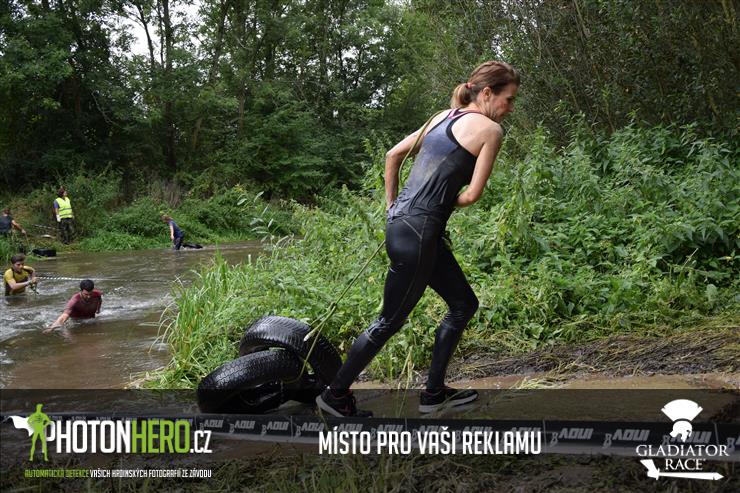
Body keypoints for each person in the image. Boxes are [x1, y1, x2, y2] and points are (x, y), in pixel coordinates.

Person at [316, 61, 520, 417]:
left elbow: (392, 155)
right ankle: (334, 395)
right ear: (487, 93)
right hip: (421, 232)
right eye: (509, 99)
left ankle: (434, 394)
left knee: (463, 304)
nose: (510, 108)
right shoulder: (490, 131)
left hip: (405, 226)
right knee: (389, 321)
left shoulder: (442, 117)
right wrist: (436, 205)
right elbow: (472, 195)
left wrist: (393, 206)